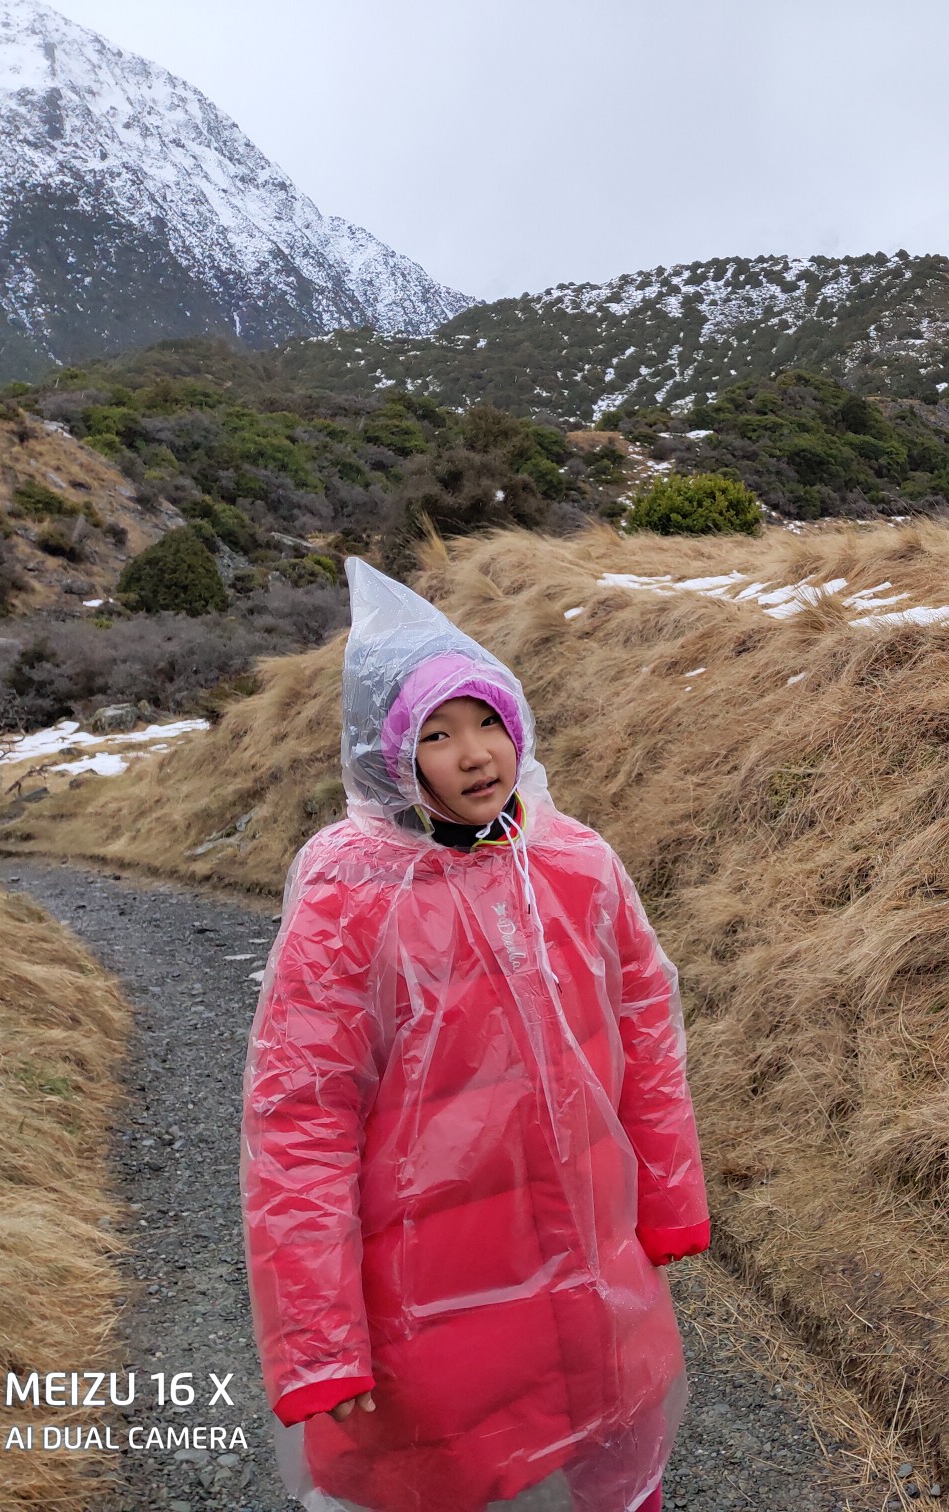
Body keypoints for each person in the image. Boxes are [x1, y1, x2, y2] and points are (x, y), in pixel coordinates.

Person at [242, 559, 708, 1512]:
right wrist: (322, 1343)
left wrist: (667, 1200)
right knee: (440, 1468)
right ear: (387, 751)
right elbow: (300, 1120)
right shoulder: (350, 899)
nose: (476, 752)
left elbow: (646, 1031)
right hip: (431, 1293)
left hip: (590, 1263)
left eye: (488, 719)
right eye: (438, 732)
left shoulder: (575, 863)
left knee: (614, 1444)